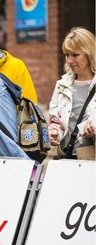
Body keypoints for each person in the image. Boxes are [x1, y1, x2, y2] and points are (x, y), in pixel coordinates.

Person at [49, 27, 96, 160]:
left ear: (90, 54)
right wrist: (54, 132)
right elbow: (55, 120)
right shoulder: (62, 85)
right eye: (67, 55)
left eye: (75, 55)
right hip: (66, 156)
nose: (69, 60)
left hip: (91, 158)